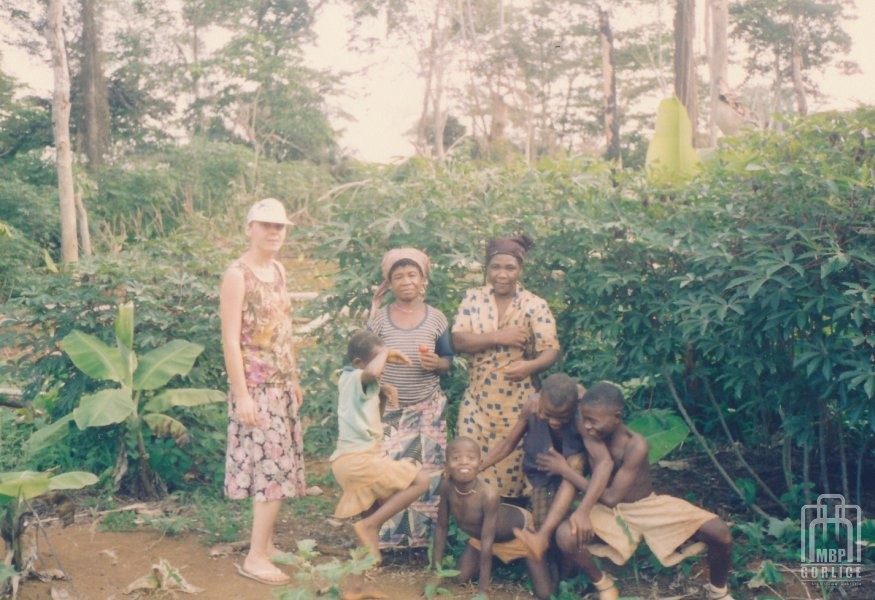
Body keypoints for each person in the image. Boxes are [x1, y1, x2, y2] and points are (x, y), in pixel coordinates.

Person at [540, 382, 735, 600]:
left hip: (644, 507)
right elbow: (570, 392)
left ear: (616, 417)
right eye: (584, 419)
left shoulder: (636, 445)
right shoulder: (591, 431)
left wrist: (566, 471)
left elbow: (611, 497)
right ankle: (603, 584)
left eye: (593, 421)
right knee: (566, 535)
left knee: (719, 532)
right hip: (607, 511)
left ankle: (718, 592)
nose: (586, 426)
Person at [220, 198, 306, 586]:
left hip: (281, 385)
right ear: (249, 228)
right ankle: (255, 557)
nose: (274, 232)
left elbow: (285, 327)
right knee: (272, 470)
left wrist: (294, 377)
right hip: (256, 388)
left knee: (279, 466)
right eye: (266, 225)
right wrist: (242, 395)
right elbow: (230, 339)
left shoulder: (278, 270)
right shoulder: (237, 275)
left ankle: (267, 545)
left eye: (279, 226)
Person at [452, 234, 560, 499]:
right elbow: (458, 340)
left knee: (512, 468)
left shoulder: (534, 305)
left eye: (510, 267)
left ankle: (510, 516)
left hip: (517, 402)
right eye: (495, 267)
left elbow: (551, 350)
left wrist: (530, 367)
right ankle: (472, 514)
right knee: (469, 458)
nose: (502, 274)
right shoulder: (473, 299)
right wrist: (498, 337)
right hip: (477, 400)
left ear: (520, 269)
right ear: (487, 268)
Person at [478, 374, 612, 570]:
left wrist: (583, 510)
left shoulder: (581, 415)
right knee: (542, 521)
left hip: (573, 471)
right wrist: (480, 466)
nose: (555, 422)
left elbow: (604, 462)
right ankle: (552, 564)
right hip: (542, 472)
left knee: (573, 467)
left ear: (575, 407)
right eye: (548, 415)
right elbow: (508, 444)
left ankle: (556, 552)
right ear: (539, 400)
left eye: (562, 417)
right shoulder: (532, 406)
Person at [367, 247, 453, 548]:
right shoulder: (379, 320)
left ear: (423, 279)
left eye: (412, 274)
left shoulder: (436, 318)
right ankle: (385, 541)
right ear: (389, 283)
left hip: (428, 408)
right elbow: (365, 363)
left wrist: (437, 363)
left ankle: (421, 544)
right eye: (399, 276)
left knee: (427, 474)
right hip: (389, 409)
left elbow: (448, 360)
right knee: (389, 472)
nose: (406, 281)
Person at [329, 329, 430, 563]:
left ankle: (363, 574)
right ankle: (369, 526)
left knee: (372, 513)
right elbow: (372, 371)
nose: (383, 367)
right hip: (357, 461)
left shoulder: (363, 385)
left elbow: (373, 422)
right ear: (358, 363)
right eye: (379, 360)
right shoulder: (353, 377)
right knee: (421, 480)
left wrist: (381, 396)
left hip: (359, 458)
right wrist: (386, 350)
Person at [432, 437, 554, 600]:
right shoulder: (447, 487)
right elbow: (441, 528)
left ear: (480, 464)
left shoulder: (488, 495)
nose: (464, 462)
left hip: (519, 534)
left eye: (471, 458)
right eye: (456, 458)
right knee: (460, 578)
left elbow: (487, 541)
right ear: (446, 464)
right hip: (482, 536)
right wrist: (435, 574)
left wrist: (483, 591)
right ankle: (498, 561)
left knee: (545, 593)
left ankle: (546, 561)